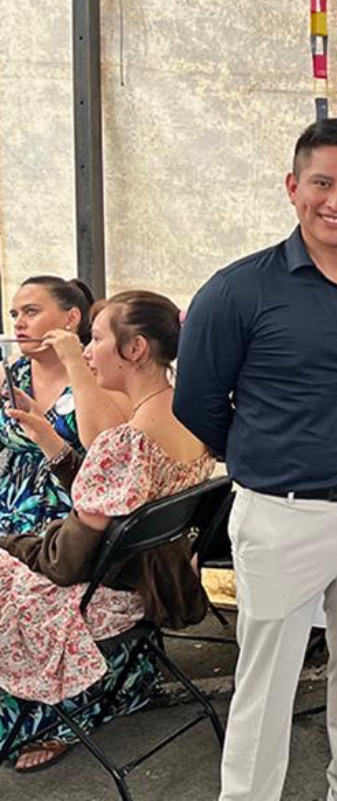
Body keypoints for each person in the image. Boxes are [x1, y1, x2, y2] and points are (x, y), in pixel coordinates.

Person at [174, 118, 337, 801]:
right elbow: (197, 403)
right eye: (321, 182)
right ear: (293, 187)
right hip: (280, 516)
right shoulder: (236, 291)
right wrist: (269, 455)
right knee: (267, 677)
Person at [0, 290, 212, 772]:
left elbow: (63, 563)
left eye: (94, 339)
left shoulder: (128, 440)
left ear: (134, 349)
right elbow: (119, 499)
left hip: (104, 595)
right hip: (147, 586)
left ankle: (34, 720)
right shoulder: (189, 413)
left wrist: (9, 543)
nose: (86, 350)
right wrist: (50, 439)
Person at [0, 277, 130, 535]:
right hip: (9, 518)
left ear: (71, 318)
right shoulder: (12, 374)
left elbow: (112, 451)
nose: (19, 323)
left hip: (72, 526)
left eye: (31, 311)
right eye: (15, 314)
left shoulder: (99, 374)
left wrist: (73, 360)